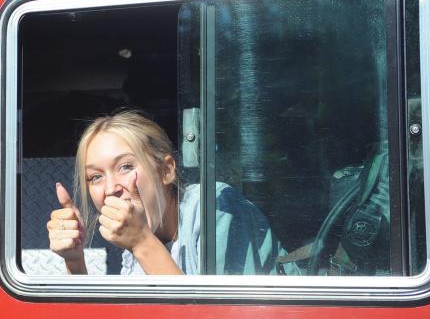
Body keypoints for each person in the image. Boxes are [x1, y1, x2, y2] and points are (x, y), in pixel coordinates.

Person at [47, 110, 285, 276]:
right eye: (95, 177)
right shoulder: (143, 234)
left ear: (167, 171)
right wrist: (75, 261)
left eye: (126, 167)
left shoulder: (216, 207)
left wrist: (141, 243)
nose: (110, 189)